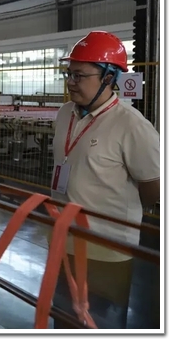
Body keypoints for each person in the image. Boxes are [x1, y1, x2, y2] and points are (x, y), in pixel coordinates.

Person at [50, 31, 160, 329]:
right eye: (69, 74)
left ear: (109, 78)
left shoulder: (131, 125)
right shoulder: (65, 114)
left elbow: (153, 187)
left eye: (80, 75)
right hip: (63, 239)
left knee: (99, 323)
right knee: (63, 319)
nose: (71, 82)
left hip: (106, 248)